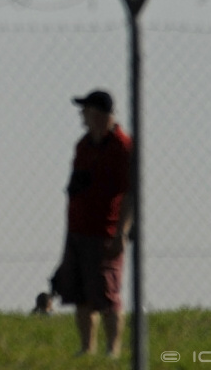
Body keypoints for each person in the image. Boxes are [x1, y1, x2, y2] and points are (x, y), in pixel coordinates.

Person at [57, 90, 133, 358]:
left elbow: (130, 193)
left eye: (85, 110)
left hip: (105, 232)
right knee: (81, 295)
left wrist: (121, 233)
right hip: (77, 230)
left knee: (107, 294)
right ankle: (86, 348)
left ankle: (112, 349)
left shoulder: (123, 146)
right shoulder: (84, 145)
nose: (82, 116)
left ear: (99, 114)